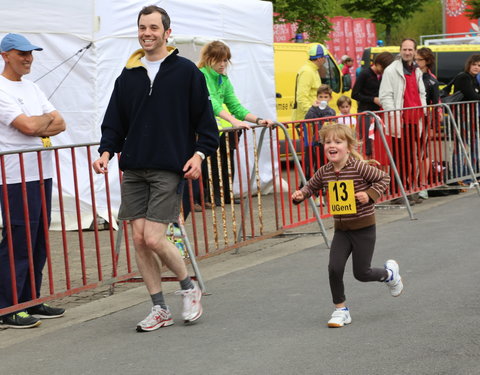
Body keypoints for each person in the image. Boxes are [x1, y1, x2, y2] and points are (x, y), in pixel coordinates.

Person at [92, 5, 219, 332]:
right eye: (142, 27)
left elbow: (206, 125)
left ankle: (189, 288)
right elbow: (114, 122)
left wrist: (200, 155)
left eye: (153, 27)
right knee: (137, 238)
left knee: (152, 236)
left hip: (168, 167)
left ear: (167, 32)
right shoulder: (128, 75)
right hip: (133, 167)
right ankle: (159, 309)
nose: (147, 33)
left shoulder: (186, 72)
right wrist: (106, 152)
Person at [291, 123, 403, 328]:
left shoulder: (358, 167)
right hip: (342, 230)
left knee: (362, 273)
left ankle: (389, 275)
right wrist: (300, 195)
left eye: (338, 142)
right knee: (334, 268)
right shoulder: (324, 171)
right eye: (327, 142)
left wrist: (368, 195)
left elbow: (384, 178)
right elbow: (310, 186)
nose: (331, 145)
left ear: (349, 147)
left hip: (364, 229)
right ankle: (340, 310)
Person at [0, 33, 66, 329]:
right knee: (18, 240)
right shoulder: (1, 89)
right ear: (5, 55)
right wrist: (41, 123)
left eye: (30, 53)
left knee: (37, 240)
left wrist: (36, 124)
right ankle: (8, 306)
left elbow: (61, 122)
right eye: (21, 53)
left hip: (41, 172)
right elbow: (27, 126)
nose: (28, 58)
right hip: (15, 176)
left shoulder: (32, 87)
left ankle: (30, 299)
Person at [197, 40, 274, 205]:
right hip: (204, 131)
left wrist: (259, 119)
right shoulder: (201, 75)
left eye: (225, 60)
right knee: (209, 166)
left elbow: (235, 106)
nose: (223, 64)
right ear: (209, 58)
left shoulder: (223, 79)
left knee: (226, 164)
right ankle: (207, 198)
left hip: (223, 131)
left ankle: (224, 196)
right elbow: (211, 103)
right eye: (219, 59)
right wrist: (233, 120)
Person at [379, 38, 427, 203]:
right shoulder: (391, 70)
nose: (407, 52)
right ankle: (397, 191)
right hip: (401, 120)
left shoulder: (416, 70)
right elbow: (385, 95)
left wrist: (424, 111)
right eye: (404, 49)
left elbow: (421, 93)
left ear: (415, 51)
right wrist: (393, 115)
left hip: (415, 119)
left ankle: (406, 188)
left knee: (410, 157)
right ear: (400, 51)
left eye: (410, 49)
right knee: (400, 157)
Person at [352, 52, 394, 156]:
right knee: (366, 143)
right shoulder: (364, 73)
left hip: (378, 113)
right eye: (383, 68)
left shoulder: (382, 76)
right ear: (378, 64)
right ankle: (366, 166)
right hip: (365, 113)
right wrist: (372, 99)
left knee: (377, 143)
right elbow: (355, 94)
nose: (384, 71)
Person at [303, 84, 336, 178]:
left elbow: (326, 120)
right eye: (320, 97)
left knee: (323, 162)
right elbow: (307, 119)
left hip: (325, 141)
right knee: (311, 162)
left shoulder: (331, 111)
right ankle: (308, 182)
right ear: (317, 97)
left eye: (325, 97)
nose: (323, 99)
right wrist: (313, 107)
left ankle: (324, 183)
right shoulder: (313, 109)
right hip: (314, 140)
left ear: (330, 98)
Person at [291, 44, 327, 121]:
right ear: (320, 58)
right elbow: (301, 97)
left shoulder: (313, 70)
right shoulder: (307, 71)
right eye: (325, 58)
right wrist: (312, 113)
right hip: (306, 119)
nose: (325, 60)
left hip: (310, 118)